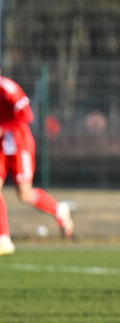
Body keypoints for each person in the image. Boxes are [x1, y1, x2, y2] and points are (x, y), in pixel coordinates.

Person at [0, 71, 74, 254]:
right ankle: (3, 239)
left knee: (24, 194)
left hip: (20, 143)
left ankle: (59, 210)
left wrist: (3, 127)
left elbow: (26, 115)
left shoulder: (8, 88)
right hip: (2, 146)